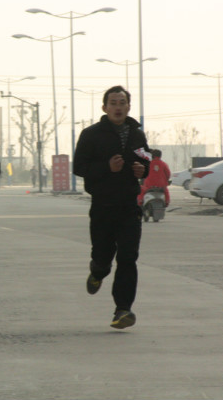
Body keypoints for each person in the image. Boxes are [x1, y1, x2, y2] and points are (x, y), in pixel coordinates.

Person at [73, 85, 150, 329]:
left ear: (129, 107)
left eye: (122, 103)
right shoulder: (91, 134)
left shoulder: (137, 135)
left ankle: (123, 309)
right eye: (113, 103)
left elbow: (145, 159)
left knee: (128, 258)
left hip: (129, 206)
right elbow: (79, 167)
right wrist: (107, 167)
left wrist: (143, 170)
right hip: (103, 206)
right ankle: (97, 272)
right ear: (104, 107)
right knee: (103, 256)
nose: (118, 107)